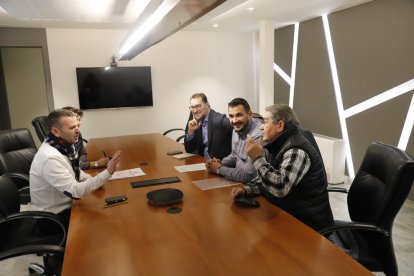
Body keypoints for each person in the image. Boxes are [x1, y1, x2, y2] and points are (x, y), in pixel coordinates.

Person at [231, 104, 333, 231]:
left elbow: (280, 187)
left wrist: (257, 159)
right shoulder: (279, 144)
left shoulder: (296, 150)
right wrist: (248, 190)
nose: (261, 127)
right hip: (291, 213)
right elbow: (271, 175)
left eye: (266, 122)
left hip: (308, 224)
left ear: (280, 126)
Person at [30, 109, 121, 226]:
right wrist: (107, 173)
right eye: (72, 128)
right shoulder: (50, 157)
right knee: (106, 222)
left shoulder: (63, 145)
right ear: (56, 131)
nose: (78, 130)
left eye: (78, 126)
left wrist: (93, 180)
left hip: (68, 207)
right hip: (53, 220)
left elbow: (76, 172)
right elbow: (75, 191)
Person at [206, 98, 262, 183]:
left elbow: (248, 175)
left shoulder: (257, 136)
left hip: (250, 187)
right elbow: (234, 155)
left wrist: (219, 169)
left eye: (239, 115)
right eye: (231, 116)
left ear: (249, 114)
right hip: (237, 183)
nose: (234, 121)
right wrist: (220, 163)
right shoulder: (237, 128)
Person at [184, 92, 233, 160]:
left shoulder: (219, 120)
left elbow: (239, 127)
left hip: (219, 165)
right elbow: (189, 149)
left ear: (207, 104)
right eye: (192, 107)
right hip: (202, 162)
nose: (194, 111)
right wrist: (190, 131)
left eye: (198, 106)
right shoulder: (194, 120)